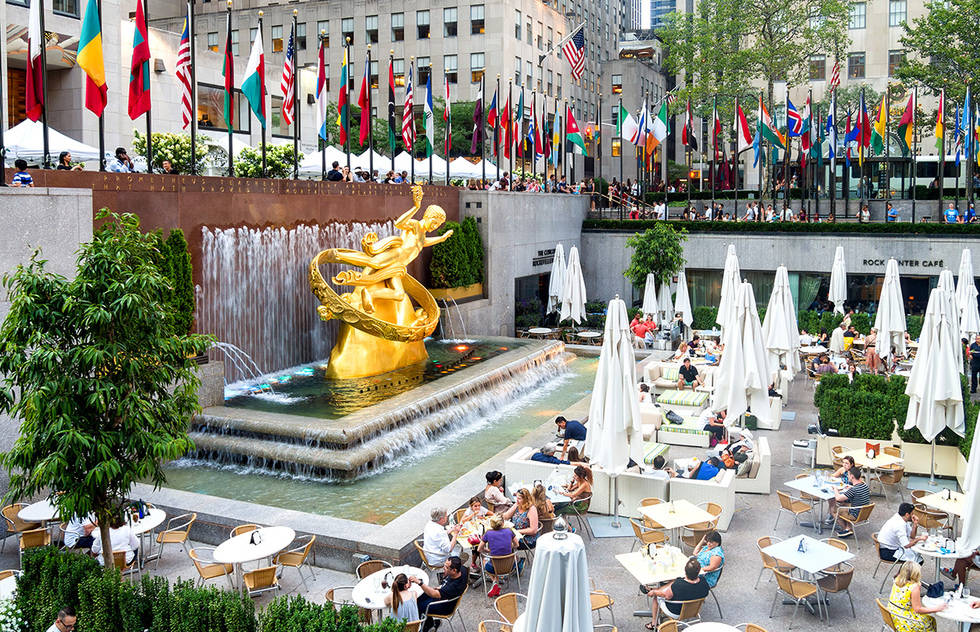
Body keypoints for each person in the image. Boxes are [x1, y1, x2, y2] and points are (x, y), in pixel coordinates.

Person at [645, 557, 710, 629]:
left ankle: (654, 623)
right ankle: (655, 590)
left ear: (685, 571)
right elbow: (705, 593)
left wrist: (654, 592)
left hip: (675, 612)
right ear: (698, 572)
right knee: (673, 583)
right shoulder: (703, 581)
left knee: (657, 597)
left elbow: (666, 596)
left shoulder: (678, 585)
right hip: (693, 610)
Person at [414, 556, 469, 632]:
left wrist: (419, 583)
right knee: (417, 597)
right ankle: (430, 623)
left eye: (446, 567)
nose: (443, 568)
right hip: (445, 596)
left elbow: (434, 594)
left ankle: (425, 627)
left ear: (454, 570)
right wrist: (440, 587)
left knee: (417, 606)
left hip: (445, 606)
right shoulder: (462, 570)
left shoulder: (452, 587)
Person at [887, 561, 945, 632]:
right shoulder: (914, 587)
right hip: (902, 621)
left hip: (891, 615)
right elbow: (918, 609)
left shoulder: (897, 579)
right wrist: (936, 609)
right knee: (930, 621)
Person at [478, 513, 519, 597]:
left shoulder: (488, 533)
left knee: (484, 559)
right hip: (510, 566)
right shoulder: (509, 531)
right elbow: (517, 545)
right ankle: (497, 581)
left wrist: (487, 550)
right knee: (507, 558)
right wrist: (508, 546)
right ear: (503, 523)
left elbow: (479, 549)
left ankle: (494, 581)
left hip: (494, 567)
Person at [829, 468, 870, 536]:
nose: (847, 476)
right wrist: (850, 487)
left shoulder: (854, 489)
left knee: (833, 509)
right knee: (843, 504)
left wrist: (835, 489)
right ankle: (848, 527)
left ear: (852, 476)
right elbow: (857, 492)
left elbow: (838, 498)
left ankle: (847, 529)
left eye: (848, 475)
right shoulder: (864, 485)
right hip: (863, 512)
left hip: (854, 514)